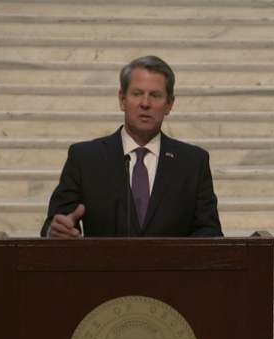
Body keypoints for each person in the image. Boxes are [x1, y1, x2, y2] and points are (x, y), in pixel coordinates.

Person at [41, 56, 223, 238]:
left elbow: (209, 231)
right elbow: (56, 222)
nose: (145, 103)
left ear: (169, 105)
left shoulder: (192, 162)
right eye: (137, 94)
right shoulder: (85, 158)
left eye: (155, 95)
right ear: (122, 100)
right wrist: (55, 231)